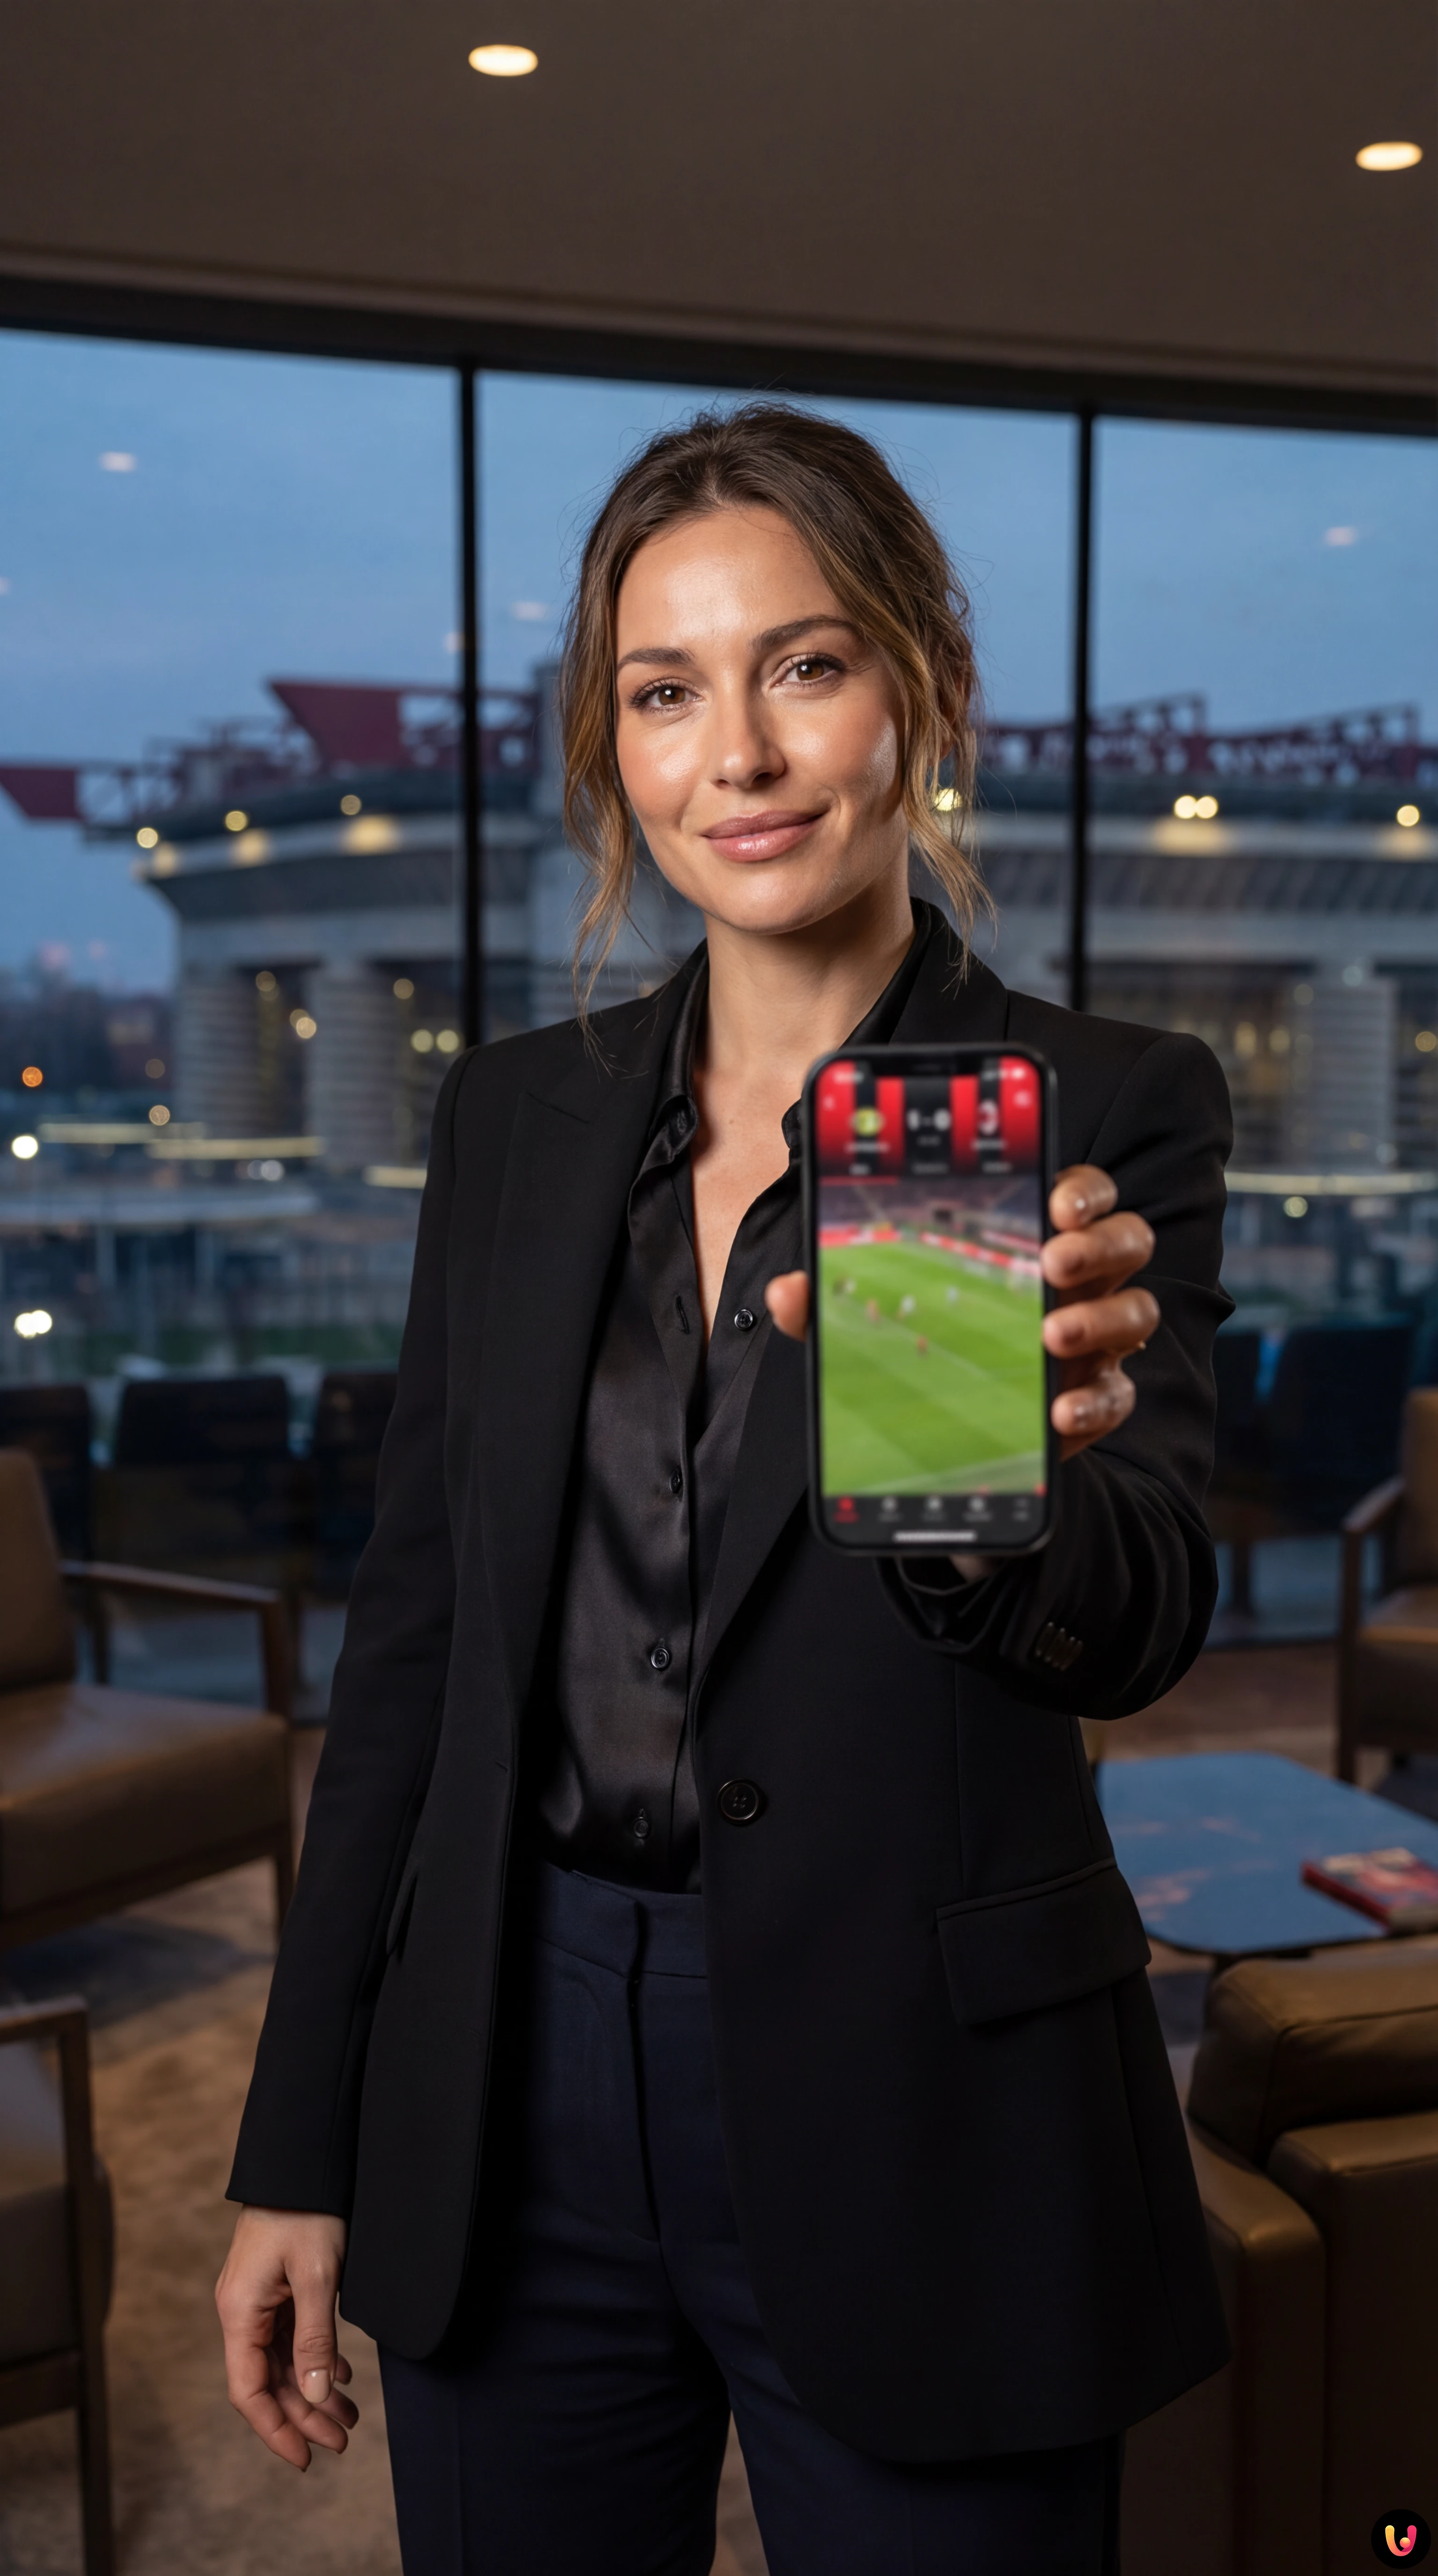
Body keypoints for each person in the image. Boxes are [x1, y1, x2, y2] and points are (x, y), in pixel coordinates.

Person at [217, 404, 1231, 2575]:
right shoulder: (514, 1122)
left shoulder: (1090, 1109)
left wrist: (996, 1469)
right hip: (517, 2073)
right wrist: (304, 2137)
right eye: (665, 693)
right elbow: (413, 1652)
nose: (740, 757)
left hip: (923, 2089)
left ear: (921, 687)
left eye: (805, 665)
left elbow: (1140, 1618)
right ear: (613, 748)